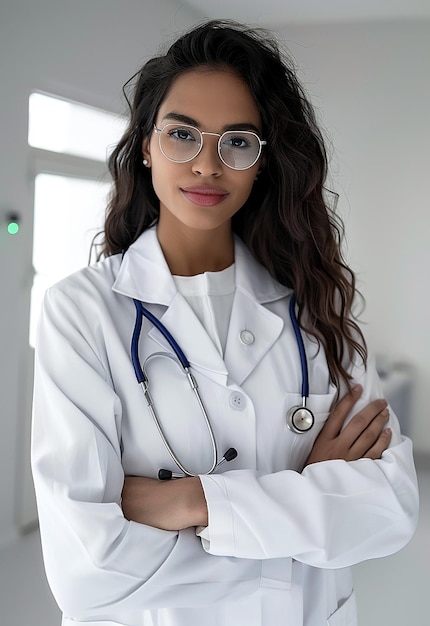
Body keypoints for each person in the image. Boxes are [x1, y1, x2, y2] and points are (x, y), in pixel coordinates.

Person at [31, 19, 418, 626]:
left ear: (262, 163)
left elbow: (389, 510)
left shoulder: (314, 308)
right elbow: (89, 573)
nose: (208, 163)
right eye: (182, 134)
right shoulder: (82, 313)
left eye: (238, 140)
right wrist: (303, 503)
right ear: (145, 145)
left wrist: (190, 500)